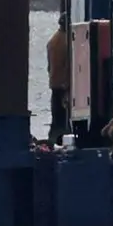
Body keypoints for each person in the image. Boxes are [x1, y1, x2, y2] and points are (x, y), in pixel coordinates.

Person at [46, 14, 70, 144]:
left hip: (54, 81)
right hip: (64, 83)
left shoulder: (53, 40)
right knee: (63, 115)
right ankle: (60, 139)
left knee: (56, 115)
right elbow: (67, 64)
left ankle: (53, 139)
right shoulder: (67, 41)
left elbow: (49, 65)